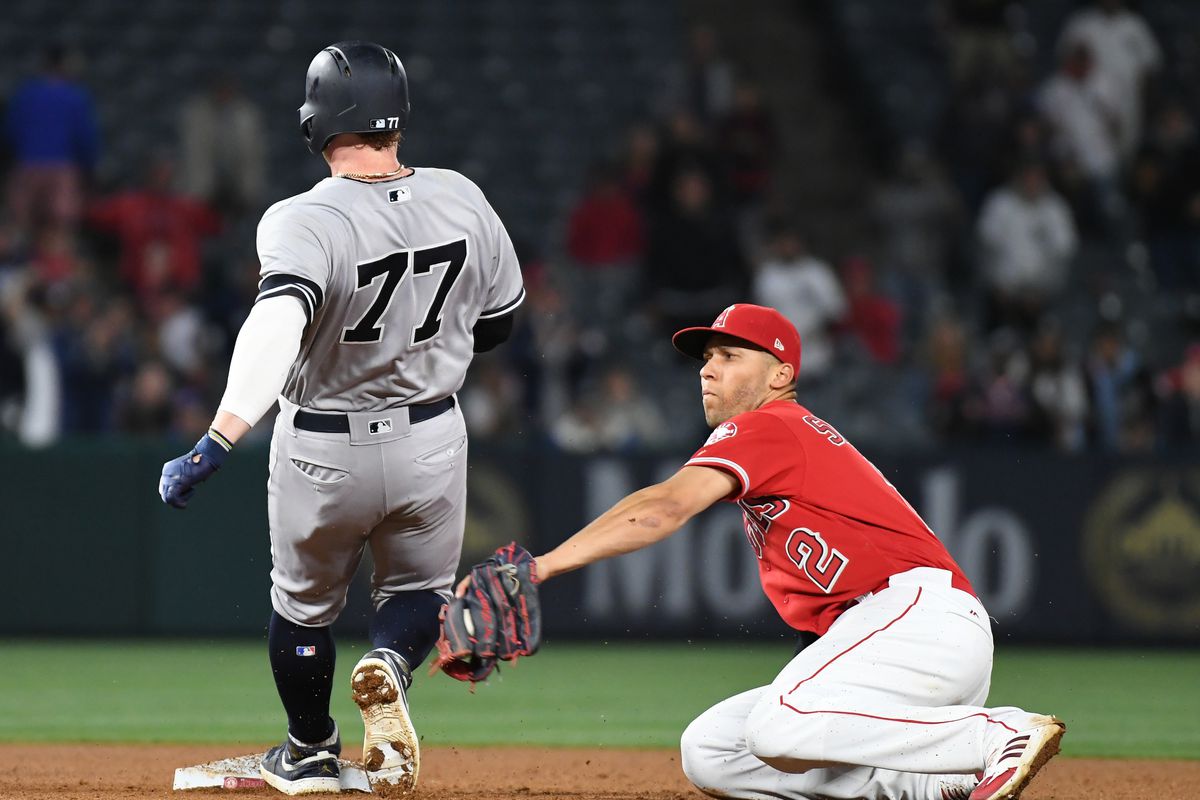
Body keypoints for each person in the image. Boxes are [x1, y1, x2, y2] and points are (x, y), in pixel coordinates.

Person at [157, 41, 524, 796]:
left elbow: (276, 326)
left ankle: (311, 748)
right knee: (420, 593)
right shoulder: (463, 195)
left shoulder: (302, 219)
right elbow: (498, 325)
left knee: (302, 607)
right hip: (432, 434)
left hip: (325, 444)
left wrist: (221, 433)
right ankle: (389, 661)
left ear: (314, 121)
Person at [524, 303, 1065, 800]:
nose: (707, 370)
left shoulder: (769, 425)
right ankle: (927, 788)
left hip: (915, 620)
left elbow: (665, 506)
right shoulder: (784, 435)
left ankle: (997, 734)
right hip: (902, 643)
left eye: (729, 356)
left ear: (780, 375)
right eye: (707, 359)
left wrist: (542, 566)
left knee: (777, 724)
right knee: (712, 750)